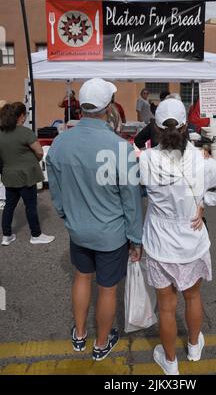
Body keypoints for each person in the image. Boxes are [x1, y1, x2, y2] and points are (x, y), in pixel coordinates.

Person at [139, 98, 216, 375]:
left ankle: (171, 362)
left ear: (156, 127)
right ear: (186, 126)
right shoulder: (201, 158)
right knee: (193, 297)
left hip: (159, 241)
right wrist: (204, 200)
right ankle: (195, 347)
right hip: (192, 237)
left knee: (165, 307)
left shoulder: (146, 159)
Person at [46, 78, 143, 361]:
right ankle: (101, 343)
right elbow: (131, 200)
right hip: (110, 232)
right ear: (108, 107)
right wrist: (135, 238)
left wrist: (66, 214)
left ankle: (79, 335)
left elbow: (56, 188)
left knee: (81, 277)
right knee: (107, 288)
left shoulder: (61, 142)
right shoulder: (119, 147)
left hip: (78, 229)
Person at [0, 102, 55, 246]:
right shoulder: (25, 132)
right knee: (30, 205)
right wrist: (32, 160)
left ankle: (6, 235)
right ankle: (36, 235)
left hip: (8, 174)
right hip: (26, 175)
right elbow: (39, 151)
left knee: (9, 206)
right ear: (21, 116)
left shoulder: (1, 132)